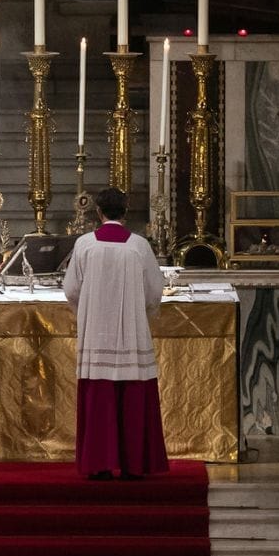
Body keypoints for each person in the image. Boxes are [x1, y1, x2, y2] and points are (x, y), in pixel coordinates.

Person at [63, 187, 168, 480]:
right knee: (132, 394)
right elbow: (154, 291)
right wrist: (139, 315)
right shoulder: (139, 246)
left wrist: (87, 314)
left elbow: (71, 290)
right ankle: (134, 465)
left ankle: (100, 465)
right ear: (126, 211)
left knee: (99, 398)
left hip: (96, 335)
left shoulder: (85, 245)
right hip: (131, 334)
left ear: (98, 212)